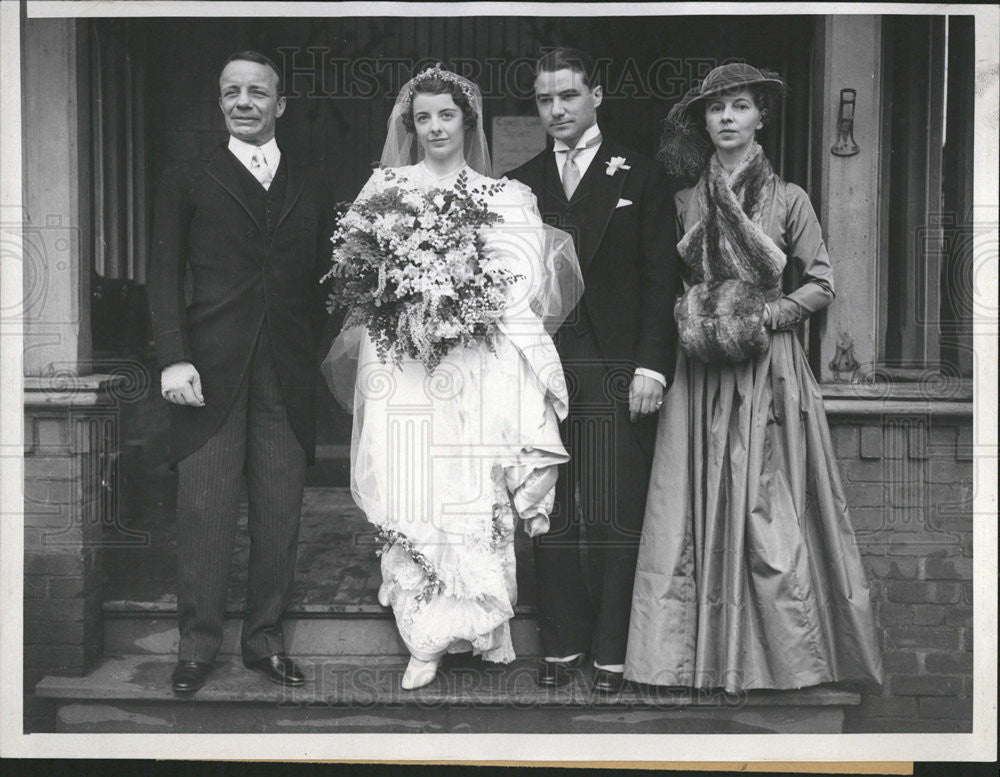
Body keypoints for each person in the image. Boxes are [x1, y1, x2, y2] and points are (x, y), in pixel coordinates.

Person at [625, 63, 884, 692]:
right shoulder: (687, 200)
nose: (727, 119)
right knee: (692, 504)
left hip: (766, 367)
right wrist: (699, 317)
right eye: (716, 110)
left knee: (765, 506)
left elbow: (822, 282)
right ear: (704, 123)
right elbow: (675, 286)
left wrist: (765, 314)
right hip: (699, 372)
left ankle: (782, 660)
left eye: (739, 107)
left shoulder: (790, 198)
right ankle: (690, 660)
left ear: (760, 117)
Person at [323, 65, 583, 690]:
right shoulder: (385, 190)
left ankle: (484, 628)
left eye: (446, 115)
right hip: (405, 369)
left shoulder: (504, 198)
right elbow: (358, 280)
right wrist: (407, 298)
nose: (435, 127)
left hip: (473, 368)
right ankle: (426, 638)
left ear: (467, 120)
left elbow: (528, 291)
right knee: (416, 487)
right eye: (423, 118)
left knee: (472, 488)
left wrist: (463, 304)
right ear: (409, 127)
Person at [148, 51, 330, 695]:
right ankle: (196, 647)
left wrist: (318, 348)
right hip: (207, 371)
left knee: (280, 513)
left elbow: (329, 279)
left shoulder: (310, 179)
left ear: (280, 104)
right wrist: (173, 355)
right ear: (220, 102)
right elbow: (163, 275)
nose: (244, 101)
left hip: (286, 371)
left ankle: (264, 642)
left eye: (258, 92)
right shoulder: (190, 176)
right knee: (205, 512)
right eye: (231, 92)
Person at [507, 48, 680, 694]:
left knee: (612, 511)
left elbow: (662, 275)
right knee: (550, 507)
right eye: (545, 99)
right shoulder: (519, 183)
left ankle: (611, 650)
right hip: (543, 371)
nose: (556, 110)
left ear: (597, 95)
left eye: (569, 96)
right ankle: (563, 641)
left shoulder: (641, 173)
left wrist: (651, 367)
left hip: (615, 367)